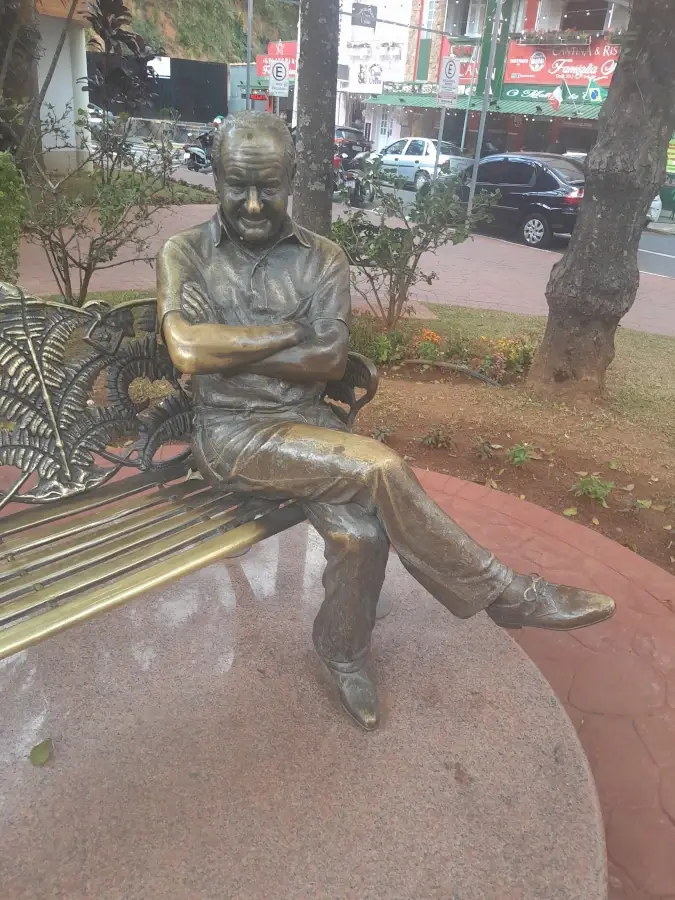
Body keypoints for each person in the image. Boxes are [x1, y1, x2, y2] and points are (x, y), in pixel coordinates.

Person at [156, 111, 615, 730]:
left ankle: (342, 651)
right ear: (215, 178)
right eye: (238, 186)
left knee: (362, 537)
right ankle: (504, 592)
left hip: (309, 424)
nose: (256, 204)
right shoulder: (183, 252)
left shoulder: (324, 259)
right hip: (231, 436)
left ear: (292, 178)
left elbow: (327, 358)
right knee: (380, 466)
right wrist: (290, 330)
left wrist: (230, 342)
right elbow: (186, 351)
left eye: (270, 186)